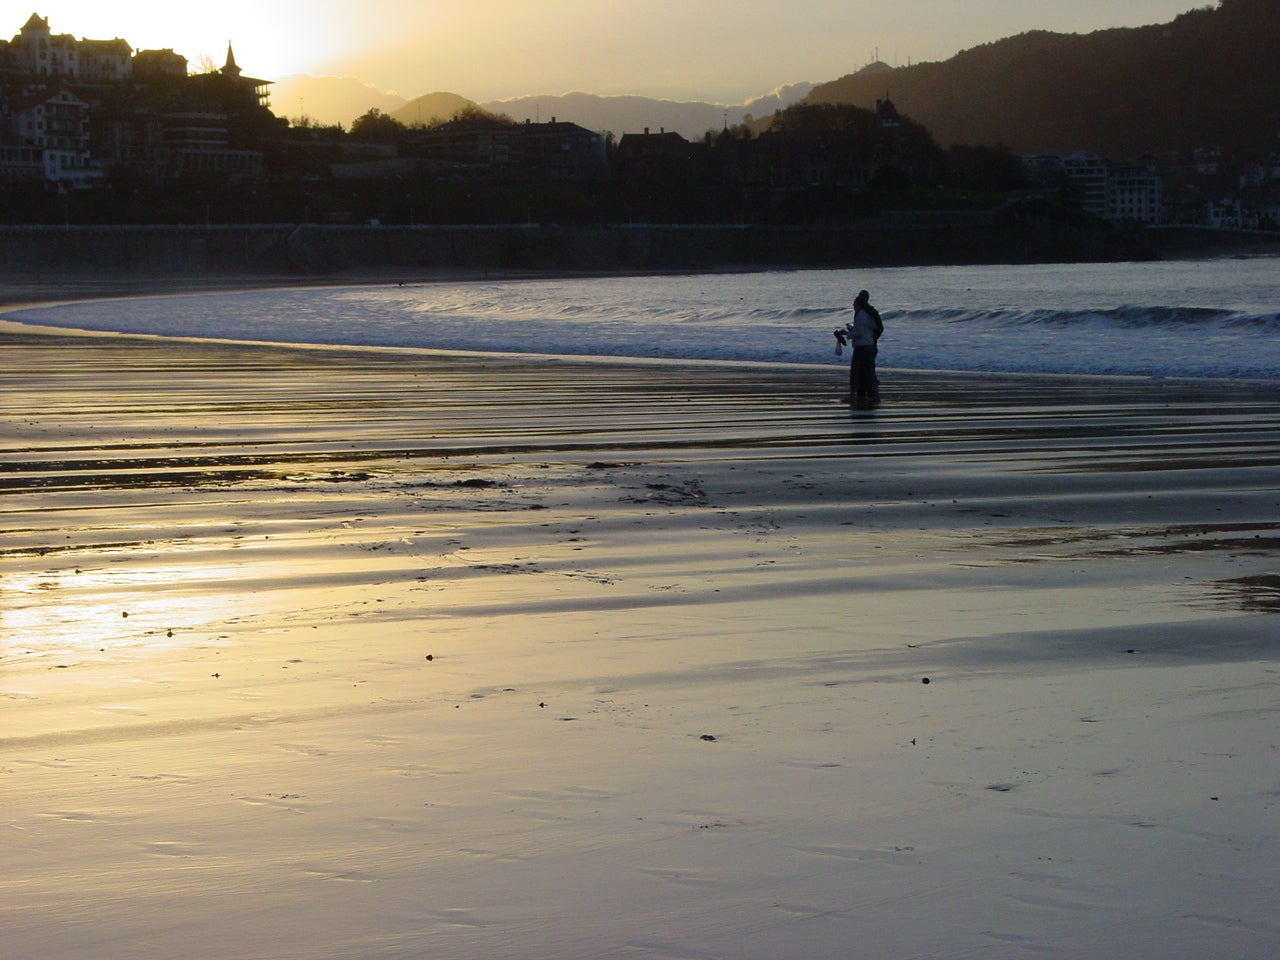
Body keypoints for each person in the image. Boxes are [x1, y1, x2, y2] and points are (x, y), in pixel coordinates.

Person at [833, 289, 883, 406]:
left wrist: (848, 333)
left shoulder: (861, 315)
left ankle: (853, 395)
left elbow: (859, 333)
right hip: (869, 346)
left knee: (856, 372)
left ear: (859, 304)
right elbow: (873, 329)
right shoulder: (870, 313)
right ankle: (873, 395)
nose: (853, 306)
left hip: (861, 348)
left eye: (854, 304)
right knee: (869, 371)